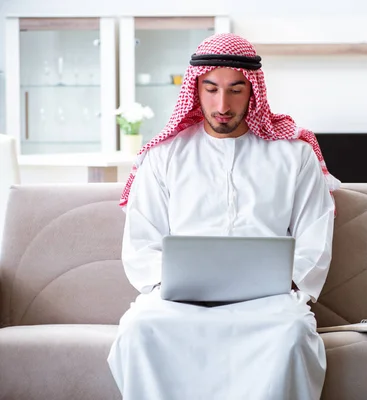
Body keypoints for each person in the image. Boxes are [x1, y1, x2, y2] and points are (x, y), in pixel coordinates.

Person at [107, 33, 340, 400]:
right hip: (178, 303)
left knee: (294, 331)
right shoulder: (165, 156)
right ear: (195, 89)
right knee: (139, 328)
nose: (222, 104)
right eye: (211, 88)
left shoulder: (294, 155)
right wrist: (167, 285)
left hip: (268, 305)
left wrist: (292, 283)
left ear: (253, 91)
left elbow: (314, 234)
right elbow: (142, 241)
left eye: (236, 90)